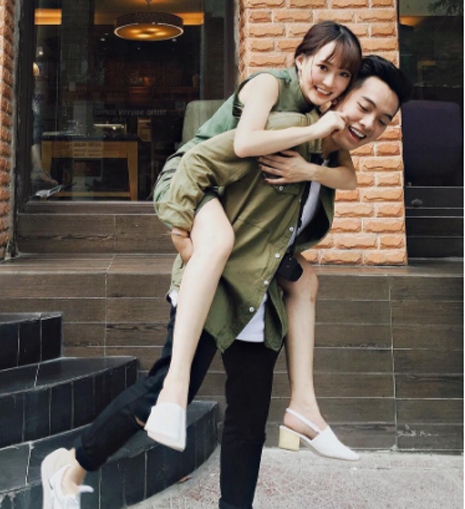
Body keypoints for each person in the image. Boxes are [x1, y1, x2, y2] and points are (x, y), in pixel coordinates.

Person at [40, 55, 413, 509]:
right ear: (339, 95)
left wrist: (309, 179)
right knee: (162, 392)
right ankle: (72, 467)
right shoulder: (284, 130)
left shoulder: (329, 156)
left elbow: (294, 222)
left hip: (260, 296)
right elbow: (199, 162)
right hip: (214, 286)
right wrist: (180, 228)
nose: (369, 124)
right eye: (364, 107)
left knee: (249, 422)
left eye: (383, 120)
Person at [146, 21, 362, 452]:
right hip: (190, 179)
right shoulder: (269, 85)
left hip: (222, 193)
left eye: (343, 75)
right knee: (218, 242)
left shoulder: (320, 114)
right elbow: (246, 144)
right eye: (323, 67)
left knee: (306, 281)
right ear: (300, 60)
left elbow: (348, 178)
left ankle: (305, 407)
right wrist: (315, 133)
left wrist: (308, 168)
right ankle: (173, 391)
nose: (330, 82)